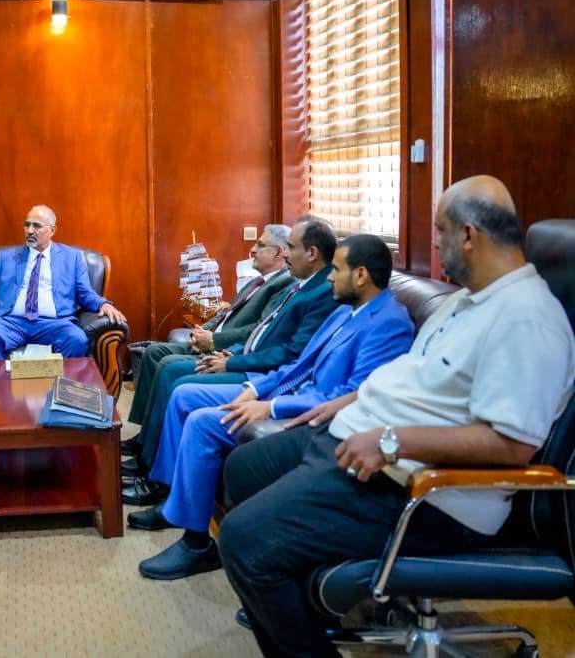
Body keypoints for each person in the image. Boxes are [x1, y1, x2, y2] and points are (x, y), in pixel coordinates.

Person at [217, 176, 575, 658]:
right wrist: (347, 403)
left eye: (441, 230)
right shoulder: (467, 300)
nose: (436, 243)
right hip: (360, 441)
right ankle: (299, 595)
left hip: (421, 491)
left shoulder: (526, 319)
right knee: (242, 469)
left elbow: (511, 446)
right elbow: (416, 380)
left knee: (243, 542)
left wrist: (389, 440)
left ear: (469, 235)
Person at [130, 234, 415, 581]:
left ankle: (196, 543)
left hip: (315, 416)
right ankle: (185, 518)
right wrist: (255, 389)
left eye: (337, 269)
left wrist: (272, 407)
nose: (329, 277)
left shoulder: (390, 324)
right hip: (287, 393)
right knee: (191, 403)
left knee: (203, 423)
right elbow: (299, 366)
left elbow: (355, 395)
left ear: (360, 275)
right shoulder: (345, 311)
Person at [123, 216, 339, 505]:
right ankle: (151, 458)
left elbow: (290, 353)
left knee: (179, 382)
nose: (287, 253)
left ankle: (159, 480)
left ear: (311, 253)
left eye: (291, 247)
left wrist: (230, 359)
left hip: (262, 374)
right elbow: (264, 332)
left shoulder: (317, 290)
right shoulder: (302, 284)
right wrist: (232, 352)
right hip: (243, 356)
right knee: (165, 364)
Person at [126, 224, 294, 441]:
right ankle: (144, 433)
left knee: (168, 366)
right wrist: (201, 331)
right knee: (153, 352)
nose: (252, 250)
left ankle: (149, 444)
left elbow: (258, 329)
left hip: (226, 349)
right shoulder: (256, 280)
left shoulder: (284, 283)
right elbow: (226, 312)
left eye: (260, 245)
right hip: (209, 341)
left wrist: (213, 340)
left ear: (279, 252)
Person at [0, 205, 127, 359]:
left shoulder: (71, 258)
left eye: (36, 226)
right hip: (12, 322)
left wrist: (103, 304)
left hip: (54, 323)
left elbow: (85, 293)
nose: (29, 230)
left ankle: (59, 395)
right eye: (27, 224)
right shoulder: (6, 258)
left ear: (52, 230)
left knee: (77, 339)